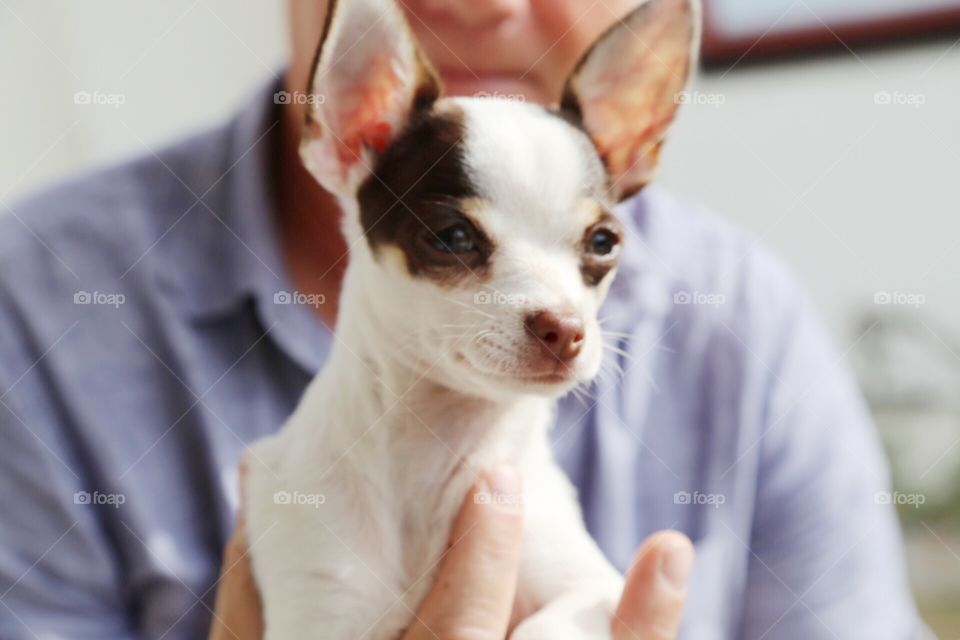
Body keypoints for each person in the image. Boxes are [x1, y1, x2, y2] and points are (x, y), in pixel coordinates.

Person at [0, 1, 923, 638]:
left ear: (633, 136)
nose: (560, 314)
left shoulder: (745, 312)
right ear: (349, 127)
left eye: (596, 246)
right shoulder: (37, 297)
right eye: (456, 239)